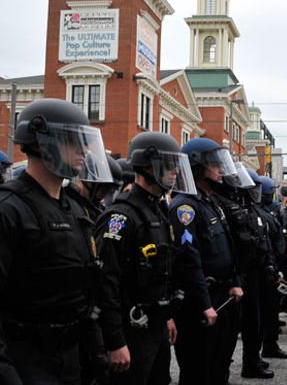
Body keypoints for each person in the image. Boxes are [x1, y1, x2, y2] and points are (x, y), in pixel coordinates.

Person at [0, 98, 113, 384]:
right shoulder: (9, 209)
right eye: (73, 140)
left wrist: (98, 348)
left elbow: (86, 290)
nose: (84, 150)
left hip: (72, 357)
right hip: (25, 361)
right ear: (40, 141)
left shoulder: (75, 209)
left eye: (85, 141)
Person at [96, 132, 196, 385]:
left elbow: (164, 269)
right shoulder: (121, 217)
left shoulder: (158, 211)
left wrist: (167, 318)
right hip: (131, 330)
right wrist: (115, 341)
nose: (174, 171)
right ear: (146, 166)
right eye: (168, 164)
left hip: (156, 326)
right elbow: (106, 283)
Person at [169, 138, 244, 385]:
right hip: (201, 302)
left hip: (222, 296)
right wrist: (203, 303)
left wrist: (234, 281)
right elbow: (188, 259)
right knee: (198, 371)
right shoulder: (185, 208)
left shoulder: (210, 202)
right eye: (215, 164)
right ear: (197, 167)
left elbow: (227, 247)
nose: (221, 169)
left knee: (219, 367)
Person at [64, 154, 123, 385]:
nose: (104, 196)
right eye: (102, 189)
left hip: (93, 312)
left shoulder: (94, 210)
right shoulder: (69, 207)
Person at [231, 164, 276, 380]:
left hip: (255, 272)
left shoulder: (251, 210)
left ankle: (253, 359)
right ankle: (248, 362)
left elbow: (262, 240)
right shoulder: (232, 208)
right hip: (243, 273)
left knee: (254, 322)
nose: (253, 192)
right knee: (244, 323)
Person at [253, 174, 287, 360]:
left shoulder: (270, 212)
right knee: (263, 312)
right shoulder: (256, 212)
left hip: (273, 265)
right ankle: (262, 349)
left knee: (271, 310)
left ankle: (270, 345)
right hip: (265, 268)